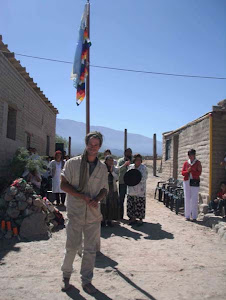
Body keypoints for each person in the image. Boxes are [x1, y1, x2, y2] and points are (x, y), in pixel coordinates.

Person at [60, 131, 108, 294]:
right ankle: (66, 276)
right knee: (72, 247)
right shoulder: (72, 164)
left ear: (100, 146)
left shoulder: (102, 168)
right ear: (86, 144)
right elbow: (63, 185)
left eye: (96, 145)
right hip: (75, 213)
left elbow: (104, 189)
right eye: (90, 144)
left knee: (90, 250)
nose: (93, 148)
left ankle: (86, 280)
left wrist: (97, 199)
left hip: (93, 215)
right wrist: (82, 196)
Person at [126, 154, 148, 226]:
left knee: (139, 204)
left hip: (140, 189)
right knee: (131, 203)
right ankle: (133, 218)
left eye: (139, 160)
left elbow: (144, 178)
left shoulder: (143, 168)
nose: (138, 161)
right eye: (137, 160)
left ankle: (140, 219)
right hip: (131, 189)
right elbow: (128, 176)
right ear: (134, 160)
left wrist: (136, 179)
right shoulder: (130, 167)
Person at [182, 149, 202, 221]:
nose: (190, 156)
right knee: (187, 198)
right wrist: (187, 171)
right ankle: (187, 215)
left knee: (194, 199)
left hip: (194, 181)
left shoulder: (198, 163)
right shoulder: (186, 163)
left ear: (194, 155)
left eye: (191, 155)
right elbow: (183, 173)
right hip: (187, 181)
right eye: (189, 155)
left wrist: (192, 171)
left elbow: (199, 173)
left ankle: (194, 216)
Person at [101, 155, 120, 227]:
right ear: (106, 161)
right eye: (109, 160)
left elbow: (117, 178)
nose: (110, 162)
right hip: (104, 188)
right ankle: (103, 220)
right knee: (103, 204)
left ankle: (109, 220)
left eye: (112, 160)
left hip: (112, 188)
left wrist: (112, 172)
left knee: (111, 204)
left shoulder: (115, 168)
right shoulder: (102, 168)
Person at [117, 148, 133, 219]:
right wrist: (125, 165)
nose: (129, 154)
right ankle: (120, 216)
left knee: (131, 200)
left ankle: (131, 216)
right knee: (121, 199)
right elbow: (118, 170)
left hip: (131, 183)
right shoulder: (120, 161)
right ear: (125, 153)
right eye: (128, 152)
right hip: (122, 182)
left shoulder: (133, 161)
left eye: (130, 152)